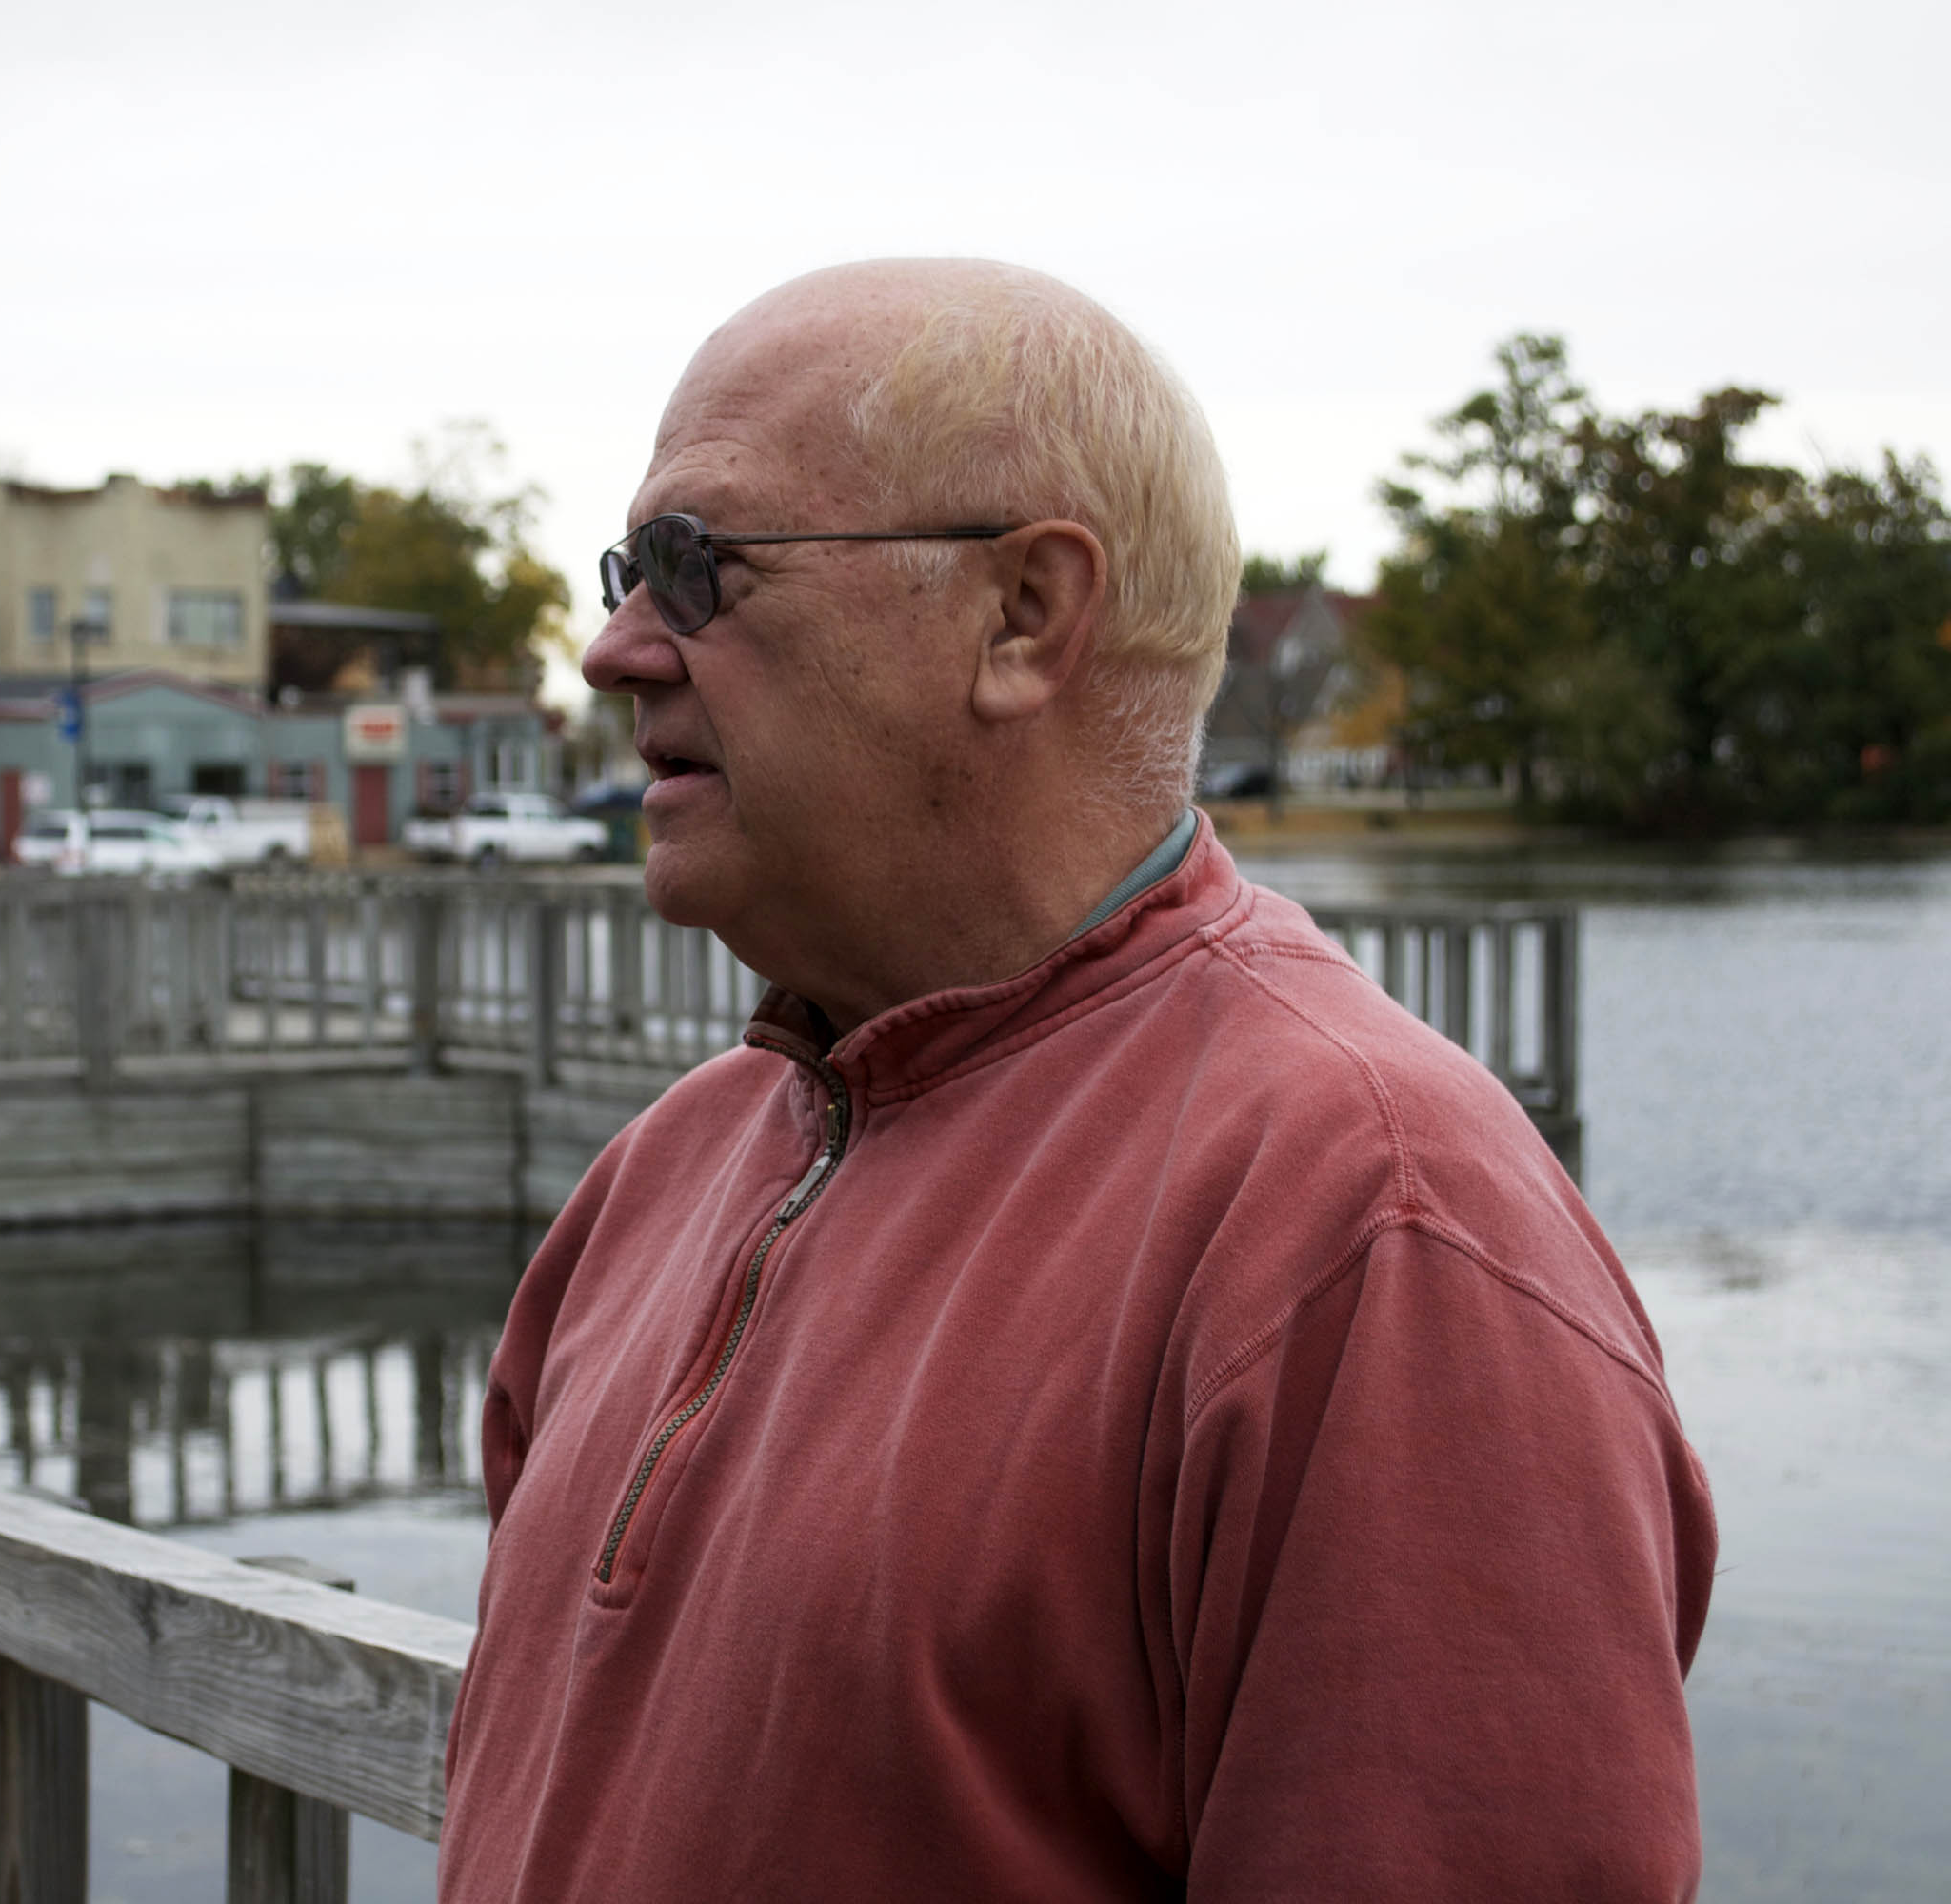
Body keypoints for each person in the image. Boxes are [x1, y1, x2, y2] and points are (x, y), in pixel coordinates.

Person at [438, 261, 1716, 1901]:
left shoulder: (1372, 1231)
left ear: (1025, 617)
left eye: (697, 569)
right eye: (630, 569)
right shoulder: (658, 1180)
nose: (614, 651)